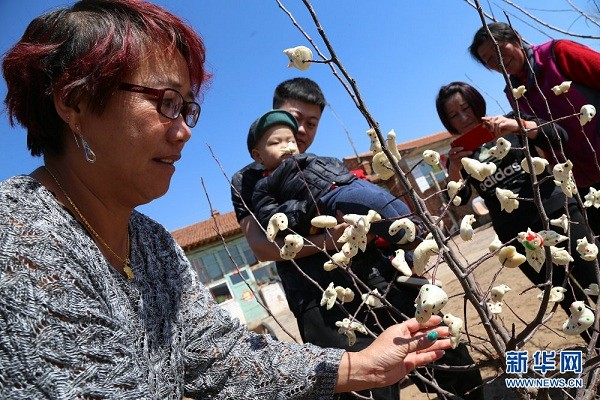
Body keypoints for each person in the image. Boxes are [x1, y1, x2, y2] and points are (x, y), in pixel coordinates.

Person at [0, 1, 454, 398]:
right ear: (74, 102)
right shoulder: (20, 244)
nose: (185, 130)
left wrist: (362, 365)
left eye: (187, 107)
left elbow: (219, 354)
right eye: (166, 102)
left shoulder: (152, 243)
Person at [231, 78, 485, 400]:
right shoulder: (247, 179)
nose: (302, 131)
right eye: (296, 119)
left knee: (446, 357)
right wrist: (335, 239)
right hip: (319, 296)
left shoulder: (323, 165)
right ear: (275, 112)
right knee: (365, 388)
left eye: (312, 123)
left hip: (380, 274)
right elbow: (262, 247)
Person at [436, 81, 598, 343]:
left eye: (466, 108)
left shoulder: (511, 121)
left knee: (593, 275)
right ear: (447, 121)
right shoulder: (459, 154)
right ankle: (596, 348)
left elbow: (558, 136)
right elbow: (457, 198)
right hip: (519, 236)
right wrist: (454, 168)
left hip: (559, 213)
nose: (463, 117)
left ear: (477, 104)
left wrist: (517, 127)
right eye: (454, 115)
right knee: (567, 297)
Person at [468, 22, 600, 231]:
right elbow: (542, 137)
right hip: (580, 179)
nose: (498, 60)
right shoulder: (513, 93)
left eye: (500, 48)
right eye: (489, 59)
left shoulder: (558, 53)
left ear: (516, 38)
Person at [248, 109, 412, 245]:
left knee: (383, 197)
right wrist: (310, 210)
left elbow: (336, 166)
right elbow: (271, 219)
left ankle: (416, 229)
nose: (286, 146)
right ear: (258, 156)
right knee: (366, 200)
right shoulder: (266, 185)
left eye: (291, 140)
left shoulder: (312, 159)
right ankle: (406, 240)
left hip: (347, 183)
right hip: (324, 201)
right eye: (276, 143)